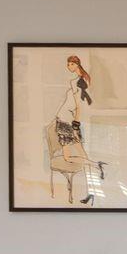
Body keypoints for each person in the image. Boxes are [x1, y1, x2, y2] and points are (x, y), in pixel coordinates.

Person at [50, 53, 101, 204]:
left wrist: (75, 125)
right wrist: (75, 124)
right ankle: (91, 191)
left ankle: (96, 165)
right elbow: (78, 106)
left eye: (71, 64)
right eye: (68, 64)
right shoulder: (84, 80)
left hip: (66, 123)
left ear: (77, 64)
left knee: (69, 157)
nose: (68, 66)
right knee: (82, 154)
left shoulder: (76, 82)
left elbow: (79, 106)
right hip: (68, 122)